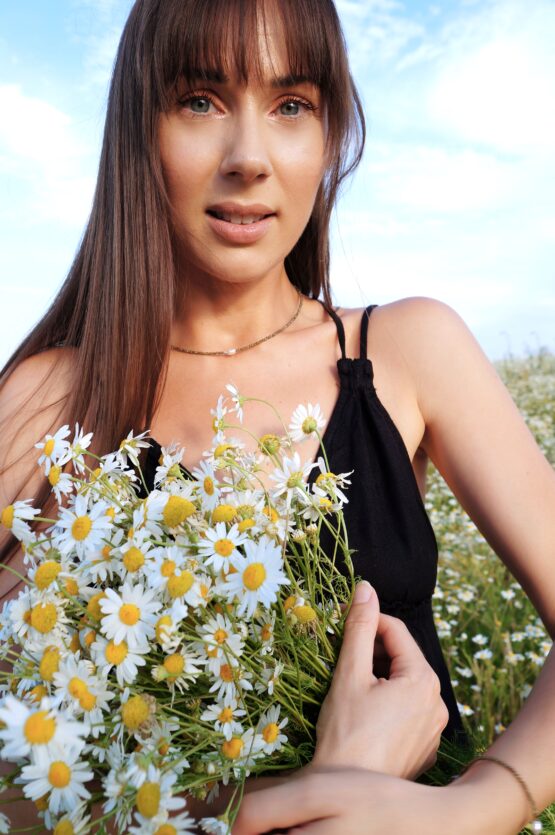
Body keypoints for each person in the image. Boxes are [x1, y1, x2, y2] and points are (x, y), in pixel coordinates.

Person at [0, 0, 553, 832]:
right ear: (135, 132)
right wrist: (310, 789)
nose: (249, 157)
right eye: (200, 101)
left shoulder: (407, 350)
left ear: (330, 137)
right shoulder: (48, 400)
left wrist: (469, 809)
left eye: (291, 106)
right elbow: (24, 772)